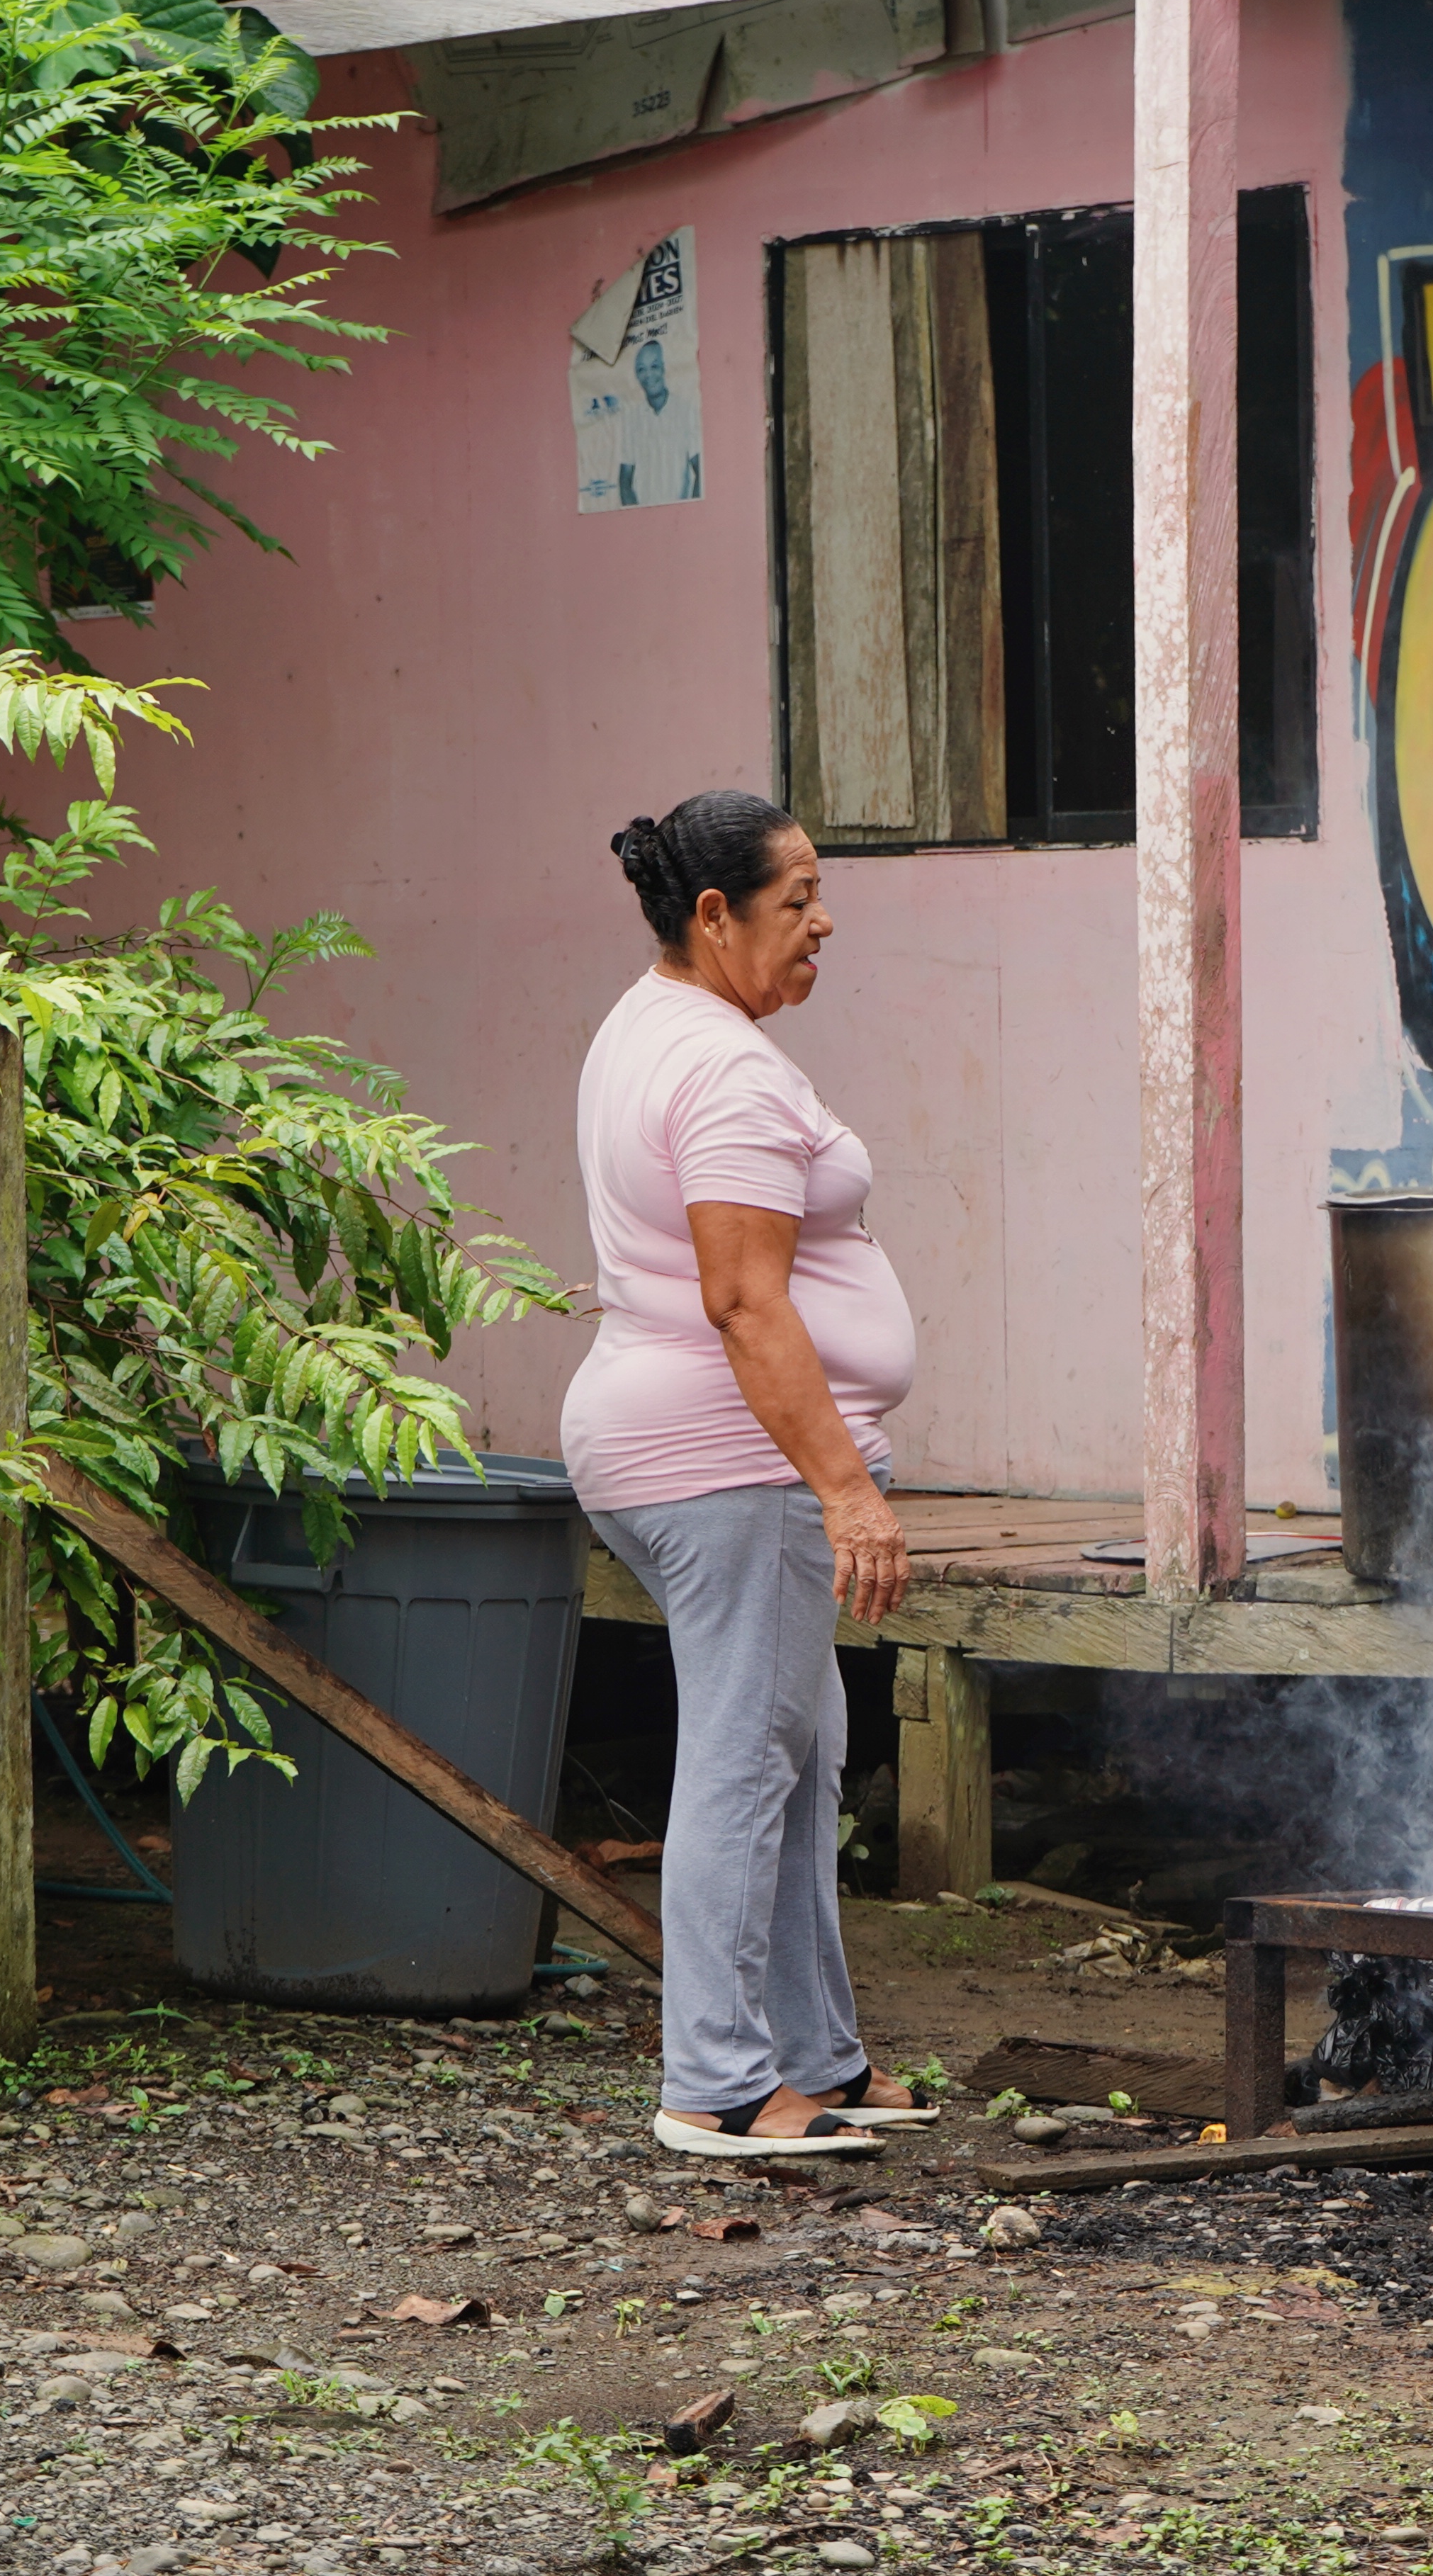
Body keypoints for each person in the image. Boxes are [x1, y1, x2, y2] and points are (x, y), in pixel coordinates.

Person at [562, 791, 934, 2159]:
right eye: (797, 901)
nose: (822, 921)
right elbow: (745, 1302)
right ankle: (716, 2083)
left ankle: (818, 2062)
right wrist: (845, 1485)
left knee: (797, 1743)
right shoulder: (721, 1069)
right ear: (714, 915)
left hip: (685, 1447)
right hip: (730, 1459)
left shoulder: (654, 1023)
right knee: (744, 1754)